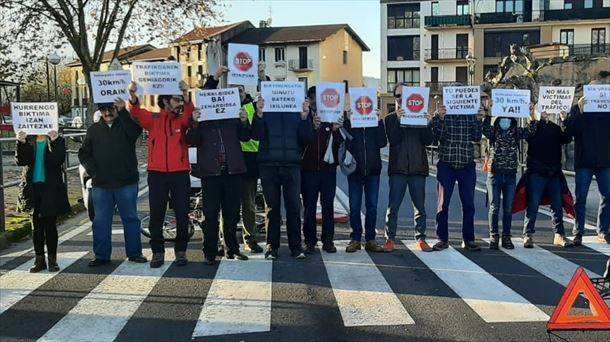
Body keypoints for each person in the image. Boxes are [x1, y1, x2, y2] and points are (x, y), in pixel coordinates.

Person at [127, 80, 194, 268]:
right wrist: (133, 95)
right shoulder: (153, 120)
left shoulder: (181, 119)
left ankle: (181, 251)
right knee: (157, 214)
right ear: (165, 101)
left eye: (180, 100)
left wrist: (186, 95)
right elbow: (137, 111)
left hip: (180, 173)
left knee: (182, 213)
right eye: (176, 99)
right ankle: (157, 251)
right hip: (157, 174)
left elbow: (190, 114)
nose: (179, 103)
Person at [78, 99, 147, 266]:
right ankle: (101, 256)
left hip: (127, 182)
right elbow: (83, 153)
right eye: (103, 109)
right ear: (99, 111)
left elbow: (136, 131)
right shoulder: (93, 130)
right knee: (101, 221)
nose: (107, 113)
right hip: (101, 184)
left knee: (130, 218)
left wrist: (124, 111)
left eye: (111, 109)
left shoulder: (126, 126)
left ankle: (135, 253)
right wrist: (94, 171)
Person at [187, 97, 251, 265]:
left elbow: (245, 137)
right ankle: (210, 251)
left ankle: (232, 248)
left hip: (232, 172)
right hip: (211, 174)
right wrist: (194, 123)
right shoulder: (203, 122)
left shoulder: (232, 119)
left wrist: (244, 121)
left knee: (231, 214)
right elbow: (191, 140)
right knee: (210, 215)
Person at [251, 95, 315, 260]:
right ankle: (272, 247)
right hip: (268, 165)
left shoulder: (297, 111)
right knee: (272, 209)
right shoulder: (264, 110)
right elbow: (256, 135)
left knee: (293, 207)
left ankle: (296, 247)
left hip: (292, 165)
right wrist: (258, 114)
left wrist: (304, 118)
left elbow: (307, 138)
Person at [383, 83, 434, 252]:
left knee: (420, 206)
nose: (402, 99)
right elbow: (393, 140)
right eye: (398, 96)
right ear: (394, 98)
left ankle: (421, 238)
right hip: (398, 168)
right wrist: (398, 120)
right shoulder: (390, 118)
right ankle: (390, 239)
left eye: (405, 95)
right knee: (393, 206)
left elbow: (428, 141)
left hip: (418, 168)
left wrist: (427, 123)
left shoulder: (420, 116)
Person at [431, 95, 484, 251]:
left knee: (469, 204)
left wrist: (479, 120)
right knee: (442, 204)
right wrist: (439, 119)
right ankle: (442, 238)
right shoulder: (444, 115)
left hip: (466, 164)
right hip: (446, 164)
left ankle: (468, 239)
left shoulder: (470, 115)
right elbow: (437, 138)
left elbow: (476, 137)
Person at [514, 110, 574, 248]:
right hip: (537, 171)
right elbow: (527, 136)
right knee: (533, 203)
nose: (545, 112)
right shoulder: (533, 128)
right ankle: (528, 234)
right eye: (541, 109)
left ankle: (559, 235)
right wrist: (532, 120)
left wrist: (565, 120)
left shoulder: (555, 128)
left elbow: (566, 138)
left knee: (557, 204)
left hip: (554, 171)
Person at [482, 104, 537, 249]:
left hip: (510, 175)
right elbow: (485, 130)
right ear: (499, 119)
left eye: (508, 119)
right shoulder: (494, 131)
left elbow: (531, 131)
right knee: (494, 207)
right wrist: (488, 113)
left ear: (512, 120)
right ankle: (494, 235)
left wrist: (531, 115)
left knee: (508, 208)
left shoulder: (516, 131)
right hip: (494, 174)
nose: (505, 121)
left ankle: (506, 236)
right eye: (502, 119)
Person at [16, 129, 70, 272]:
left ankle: (52, 260)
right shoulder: (28, 139)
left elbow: (58, 160)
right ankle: (39, 260)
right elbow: (21, 161)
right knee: (36, 226)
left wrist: (54, 141)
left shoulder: (57, 139)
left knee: (50, 225)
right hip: (32, 187)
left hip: (50, 188)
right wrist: (21, 142)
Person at [563, 81, 610, 245]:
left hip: (605, 161)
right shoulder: (578, 110)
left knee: (607, 195)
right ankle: (578, 232)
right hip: (584, 161)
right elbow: (569, 134)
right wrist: (578, 111)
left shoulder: (607, 109)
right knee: (580, 198)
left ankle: (603, 230)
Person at [301, 86, 344, 254]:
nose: (314, 102)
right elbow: (301, 139)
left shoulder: (333, 116)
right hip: (308, 169)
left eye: (317, 99)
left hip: (328, 170)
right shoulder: (303, 117)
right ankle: (310, 241)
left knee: (328, 207)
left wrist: (337, 129)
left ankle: (328, 241)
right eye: (311, 99)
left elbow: (340, 142)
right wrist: (310, 125)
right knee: (309, 207)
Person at [343, 107, 387, 253]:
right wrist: (348, 122)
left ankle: (370, 239)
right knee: (354, 207)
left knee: (372, 207)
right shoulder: (351, 123)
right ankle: (355, 238)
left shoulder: (374, 123)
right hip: (355, 171)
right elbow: (346, 142)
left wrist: (380, 121)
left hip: (373, 171)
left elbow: (382, 142)